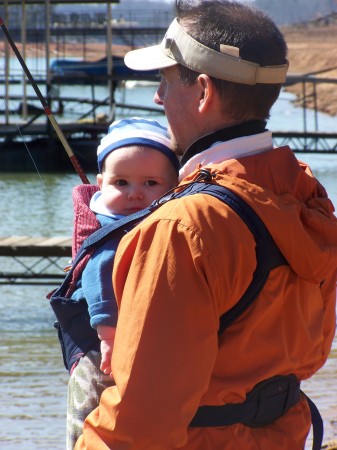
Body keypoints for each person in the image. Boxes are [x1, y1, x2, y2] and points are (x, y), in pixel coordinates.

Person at [76, 1, 337, 449]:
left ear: (202, 92)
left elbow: (138, 427)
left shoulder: (183, 226)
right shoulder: (303, 192)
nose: (158, 97)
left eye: (165, 80)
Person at [65, 117, 180, 449]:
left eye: (150, 183)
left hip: (133, 336)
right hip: (100, 340)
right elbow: (99, 280)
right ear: (101, 183)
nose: (135, 195)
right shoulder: (110, 229)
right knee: (90, 409)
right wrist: (109, 337)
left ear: (175, 183)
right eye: (121, 183)